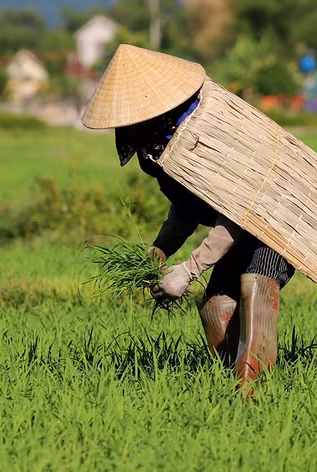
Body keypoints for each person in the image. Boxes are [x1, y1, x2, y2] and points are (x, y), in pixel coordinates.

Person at [82, 45, 295, 389]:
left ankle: (255, 394)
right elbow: (186, 207)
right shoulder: (158, 148)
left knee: (255, 290)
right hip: (239, 230)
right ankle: (230, 384)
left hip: (276, 218)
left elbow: (238, 212)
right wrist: (160, 251)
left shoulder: (207, 131)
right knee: (215, 309)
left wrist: (188, 270)